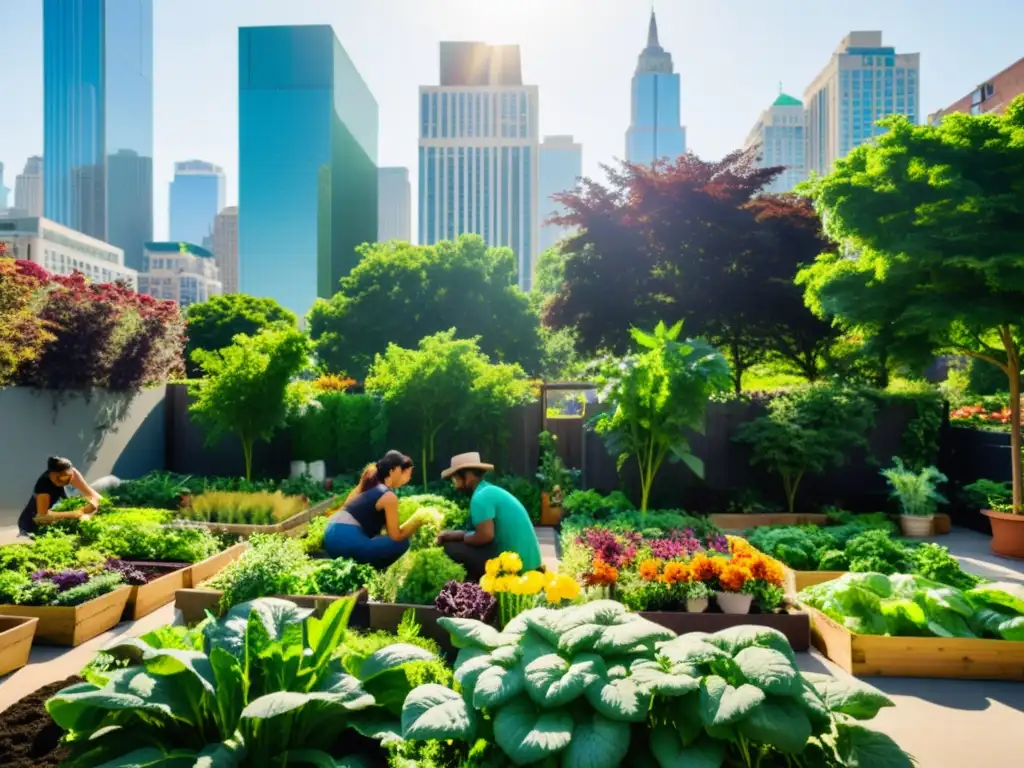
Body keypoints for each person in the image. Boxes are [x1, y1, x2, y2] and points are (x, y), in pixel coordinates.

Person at [436, 452, 542, 581]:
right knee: (459, 543)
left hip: (518, 568)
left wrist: (461, 537)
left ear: (468, 476)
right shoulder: (487, 491)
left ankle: (475, 585)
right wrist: (457, 534)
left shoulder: (480, 497)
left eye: (455, 478)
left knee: (450, 547)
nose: (454, 484)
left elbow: (485, 536)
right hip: (529, 563)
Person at [323, 450, 424, 568]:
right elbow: (396, 536)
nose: (409, 478)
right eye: (406, 473)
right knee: (401, 543)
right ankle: (371, 570)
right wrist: (419, 519)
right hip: (345, 539)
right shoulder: (388, 496)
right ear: (393, 471)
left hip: (330, 535)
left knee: (381, 541)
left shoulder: (373, 488)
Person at [18, 456, 105, 537]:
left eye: (66, 477)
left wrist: (100, 505)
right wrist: (79, 513)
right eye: (58, 477)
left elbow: (91, 494)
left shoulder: (72, 474)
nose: (62, 480)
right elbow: (42, 517)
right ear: (51, 474)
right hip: (32, 522)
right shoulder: (43, 486)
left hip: (56, 512)